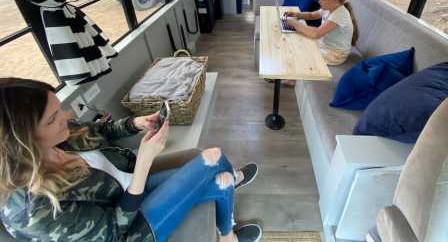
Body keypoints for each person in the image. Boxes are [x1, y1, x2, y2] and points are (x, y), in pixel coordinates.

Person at [0, 77, 261, 242]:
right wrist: (145, 162)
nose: (66, 116)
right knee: (213, 161)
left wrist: (135, 123)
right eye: (52, 118)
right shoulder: (32, 212)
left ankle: (227, 230)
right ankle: (228, 233)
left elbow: (98, 131)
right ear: (20, 140)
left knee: (220, 176)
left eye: (59, 109)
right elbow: (115, 230)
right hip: (132, 228)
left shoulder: (59, 135)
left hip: (126, 185)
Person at [285, 0, 358, 66]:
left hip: (335, 54)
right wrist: (297, 14)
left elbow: (316, 33)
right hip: (324, 44)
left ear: (335, 0)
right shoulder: (328, 8)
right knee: (297, 42)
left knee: (300, 51)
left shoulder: (339, 15)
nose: (319, 1)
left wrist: (294, 23)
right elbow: (312, 15)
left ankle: (291, 76)